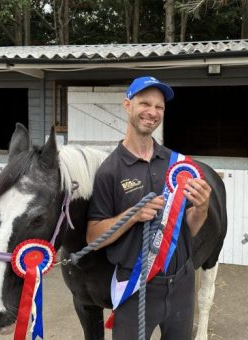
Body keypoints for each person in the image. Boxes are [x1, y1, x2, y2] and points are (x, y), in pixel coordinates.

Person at [86, 76, 211, 340]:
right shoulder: (110, 170)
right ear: (127, 105)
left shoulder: (177, 164)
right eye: (145, 103)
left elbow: (188, 228)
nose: (152, 112)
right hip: (135, 288)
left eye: (159, 107)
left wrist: (201, 207)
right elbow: (93, 238)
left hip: (182, 284)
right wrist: (132, 215)